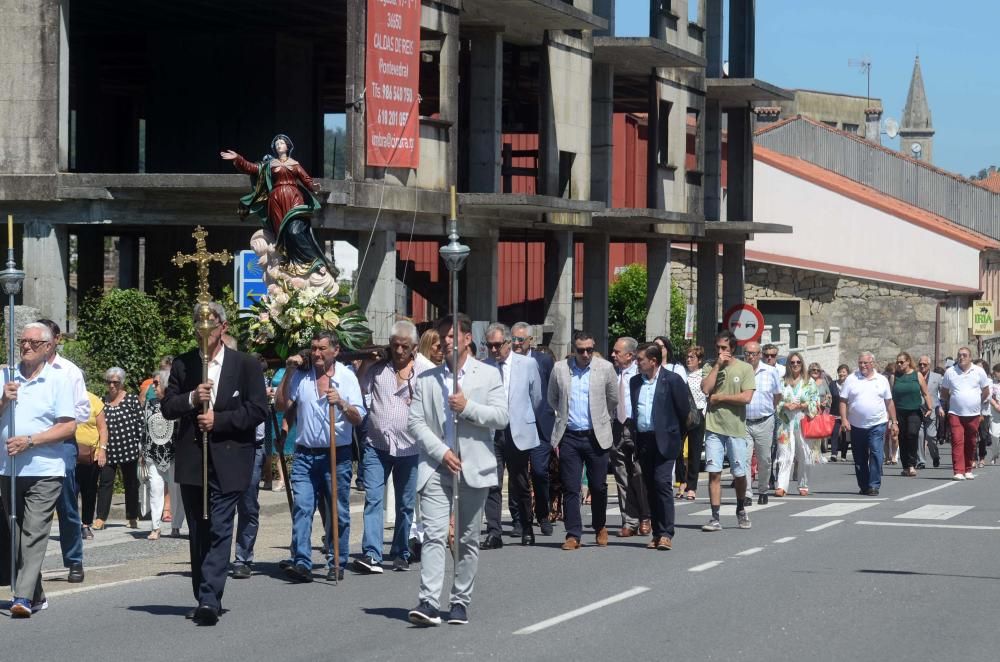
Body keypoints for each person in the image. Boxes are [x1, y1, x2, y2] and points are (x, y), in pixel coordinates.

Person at [161, 302, 268, 625]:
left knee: (221, 527)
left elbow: (257, 410)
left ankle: (210, 598)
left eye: (210, 325)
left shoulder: (246, 365)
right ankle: (203, 593)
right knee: (199, 531)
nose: (203, 332)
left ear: (223, 327)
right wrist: (193, 399)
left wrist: (218, 420)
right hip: (194, 461)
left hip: (231, 458)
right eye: (198, 325)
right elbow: (167, 407)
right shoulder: (183, 364)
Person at [406, 314, 508, 627]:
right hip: (437, 466)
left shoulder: (488, 375)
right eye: (442, 337)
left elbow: (501, 417)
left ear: (466, 339)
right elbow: (415, 422)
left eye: (452, 336)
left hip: (473, 467)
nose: (446, 342)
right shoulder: (426, 379)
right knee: (434, 535)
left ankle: (460, 600)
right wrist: (442, 451)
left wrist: (468, 408)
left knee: (465, 539)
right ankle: (429, 601)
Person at [1, 322, 77, 617]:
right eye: (22, 341)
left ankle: (21, 596)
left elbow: (68, 426)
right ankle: (37, 593)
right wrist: (4, 399)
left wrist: (30, 441)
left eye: (33, 342)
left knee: (33, 532)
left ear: (48, 347)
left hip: (45, 469)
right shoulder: (4, 375)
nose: (26, 346)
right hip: (8, 468)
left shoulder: (59, 379)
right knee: (16, 537)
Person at [277, 330, 364, 583]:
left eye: (322, 348)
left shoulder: (347, 378)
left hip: (337, 456)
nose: (316, 353)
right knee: (302, 507)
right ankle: (302, 562)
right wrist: (289, 371)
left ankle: (337, 561)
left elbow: (359, 417)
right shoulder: (302, 376)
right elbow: (284, 405)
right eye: (313, 348)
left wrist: (343, 404)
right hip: (305, 455)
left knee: (338, 511)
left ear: (335, 351)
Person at [356, 321, 428, 573]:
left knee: (405, 504)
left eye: (404, 346)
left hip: (410, 448)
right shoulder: (378, 369)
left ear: (414, 348)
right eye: (395, 345)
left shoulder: (424, 371)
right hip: (377, 446)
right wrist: (366, 361)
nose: (398, 351)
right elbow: (359, 387)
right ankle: (372, 553)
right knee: (373, 499)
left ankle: (400, 551)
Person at [222, 135, 335, 277]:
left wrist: (314, 186)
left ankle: (314, 262)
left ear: (288, 147)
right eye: (276, 143)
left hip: (294, 198)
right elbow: (251, 168)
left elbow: (306, 179)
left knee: (295, 230)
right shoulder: (269, 165)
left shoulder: (294, 164)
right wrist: (238, 159)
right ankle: (288, 263)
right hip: (276, 201)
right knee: (282, 235)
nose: (279, 145)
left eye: (281, 143)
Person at [547, 331, 618, 550]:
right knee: (570, 486)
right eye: (581, 350)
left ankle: (599, 526)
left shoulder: (605, 368)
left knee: (598, 486)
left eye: (589, 349)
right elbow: (552, 398)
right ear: (574, 349)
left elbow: (612, 398)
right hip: (569, 436)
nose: (585, 354)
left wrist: (603, 420)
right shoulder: (560, 368)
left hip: (596, 436)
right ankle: (573, 534)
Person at [35, 318, 89, 583]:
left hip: (61, 444)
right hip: (32, 444)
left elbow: (83, 409)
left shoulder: (69, 371)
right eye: (31, 341)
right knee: (31, 509)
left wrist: (59, 423)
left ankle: (74, 560)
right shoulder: (25, 370)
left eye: (41, 340)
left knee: (66, 502)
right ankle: (29, 565)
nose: (34, 346)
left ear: (55, 340)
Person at [481, 323, 543, 547]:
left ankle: (527, 527)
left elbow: (536, 398)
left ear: (508, 343)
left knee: (520, 482)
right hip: (492, 432)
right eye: (489, 346)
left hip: (517, 429)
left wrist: (523, 418)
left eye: (498, 345)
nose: (494, 350)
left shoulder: (527, 364)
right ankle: (494, 532)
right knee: (492, 483)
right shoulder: (484, 366)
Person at [629, 343, 689, 550]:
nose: (637, 363)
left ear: (653, 361)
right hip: (644, 440)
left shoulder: (672, 380)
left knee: (662, 483)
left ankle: (666, 533)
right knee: (650, 487)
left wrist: (676, 436)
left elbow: (684, 411)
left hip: (666, 440)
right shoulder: (635, 382)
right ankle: (656, 532)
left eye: (640, 360)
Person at [700, 330, 754, 532]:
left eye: (724, 348)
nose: (721, 351)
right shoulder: (709, 366)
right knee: (714, 472)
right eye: (718, 348)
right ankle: (714, 517)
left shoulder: (745, 368)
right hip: (714, 427)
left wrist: (720, 398)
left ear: (732, 348)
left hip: (736, 429)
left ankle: (741, 508)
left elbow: (746, 397)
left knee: (739, 474)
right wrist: (717, 366)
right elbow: (706, 389)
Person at [510, 321, 554, 536]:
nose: (516, 344)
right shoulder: (507, 362)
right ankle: (519, 518)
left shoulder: (543, 360)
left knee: (539, 471)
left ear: (530, 341)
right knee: (517, 474)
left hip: (540, 425)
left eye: (520, 339)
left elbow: (551, 389)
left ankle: (543, 515)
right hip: (516, 425)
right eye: (514, 340)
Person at [839, 352, 897, 496]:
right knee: (860, 457)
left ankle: (874, 485)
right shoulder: (851, 379)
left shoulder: (882, 380)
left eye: (865, 363)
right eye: (860, 363)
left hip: (877, 423)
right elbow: (843, 401)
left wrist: (894, 421)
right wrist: (844, 420)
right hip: (856, 425)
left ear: (873, 363)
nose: (862, 365)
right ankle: (864, 485)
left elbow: (889, 402)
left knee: (877, 452)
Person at [609, 336, 650, 538]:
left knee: (639, 474)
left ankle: (645, 516)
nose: (613, 355)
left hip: (636, 427)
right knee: (621, 476)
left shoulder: (641, 374)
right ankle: (629, 521)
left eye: (617, 352)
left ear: (630, 355)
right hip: (616, 426)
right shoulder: (611, 373)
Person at [95, 367, 144, 531]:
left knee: (130, 483)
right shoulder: (102, 401)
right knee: (105, 483)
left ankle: (132, 517)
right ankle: (101, 518)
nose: (111, 385)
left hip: (129, 449)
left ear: (121, 383)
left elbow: (140, 423)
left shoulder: (131, 399)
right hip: (108, 450)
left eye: (115, 382)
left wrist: (141, 447)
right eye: (108, 382)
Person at [939, 348, 990, 481]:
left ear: (970, 357)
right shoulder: (950, 372)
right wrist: (941, 406)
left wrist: (978, 402)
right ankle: (958, 471)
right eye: (959, 355)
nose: (961, 357)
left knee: (971, 442)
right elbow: (944, 392)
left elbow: (986, 390)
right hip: (955, 413)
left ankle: (968, 469)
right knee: (957, 440)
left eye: (964, 355)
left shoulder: (979, 371)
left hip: (973, 414)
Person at [774, 353, 819, 497]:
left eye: (798, 362)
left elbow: (816, 402)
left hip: (803, 420)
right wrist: (785, 405)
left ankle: (803, 484)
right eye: (792, 362)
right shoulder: (782, 382)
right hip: (786, 423)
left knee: (804, 454)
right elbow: (775, 402)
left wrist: (803, 405)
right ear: (788, 364)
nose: (795, 365)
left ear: (802, 364)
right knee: (784, 454)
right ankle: (781, 485)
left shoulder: (809, 382)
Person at [743, 341, 781, 505]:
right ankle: (746, 493)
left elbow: (777, 395)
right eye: (747, 353)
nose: (750, 356)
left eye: (753, 353)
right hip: (743, 422)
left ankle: (763, 490)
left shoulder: (771, 372)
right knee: (743, 459)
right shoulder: (740, 371)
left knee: (764, 459)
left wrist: (769, 410)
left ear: (759, 355)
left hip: (765, 420)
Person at [142, 370, 177, 540]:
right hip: (153, 453)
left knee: (176, 491)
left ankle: (176, 525)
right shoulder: (150, 403)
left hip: (174, 453)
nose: (153, 386)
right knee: (155, 489)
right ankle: (155, 527)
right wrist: (143, 451)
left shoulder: (177, 403)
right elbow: (145, 428)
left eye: (156, 383)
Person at [891, 353, 933, 477]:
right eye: (897, 362)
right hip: (899, 411)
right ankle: (905, 466)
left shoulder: (917, 375)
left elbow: (925, 393)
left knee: (912, 434)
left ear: (908, 362)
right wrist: (891, 415)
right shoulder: (895, 377)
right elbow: (890, 398)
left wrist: (929, 407)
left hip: (914, 410)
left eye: (902, 362)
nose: (899, 364)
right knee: (902, 437)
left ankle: (912, 464)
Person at [76, 391, 108, 541]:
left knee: (89, 491)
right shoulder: (63, 397)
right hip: (69, 454)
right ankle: (71, 524)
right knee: (70, 492)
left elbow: (102, 428)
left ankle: (85, 524)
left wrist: (102, 450)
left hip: (90, 454)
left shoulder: (93, 400)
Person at [680, 345, 707, 501]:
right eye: (688, 357)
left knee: (694, 453)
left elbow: (707, 395)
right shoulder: (682, 374)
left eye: (692, 357)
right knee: (677, 450)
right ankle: (681, 481)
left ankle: (692, 486)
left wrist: (703, 413)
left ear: (699, 360)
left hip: (698, 415)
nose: (689, 360)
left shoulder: (702, 375)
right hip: (682, 416)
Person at [916, 356, 942, 468]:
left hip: (931, 411)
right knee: (920, 435)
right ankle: (921, 461)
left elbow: (943, 394)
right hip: (918, 410)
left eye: (924, 364)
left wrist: (940, 407)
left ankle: (935, 456)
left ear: (929, 365)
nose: (922, 366)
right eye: (920, 364)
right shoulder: (914, 376)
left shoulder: (937, 377)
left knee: (931, 437)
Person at [830, 364, 851, 462]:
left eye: (844, 372)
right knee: (834, 433)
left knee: (845, 435)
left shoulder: (850, 384)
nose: (841, 373)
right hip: (834, 413)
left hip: (847, 413)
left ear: (847, 373)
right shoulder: (832, 384)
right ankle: (834, 454)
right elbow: (829, 396)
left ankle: (843, 455)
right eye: (840, 371)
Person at [988, 364, 1000, 465]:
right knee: (995, 435)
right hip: (996, 412)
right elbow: (989, 396)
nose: (996, 374)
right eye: (996, 372)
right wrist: (995, 405)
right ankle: (995, 453)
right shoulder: (992, 383)